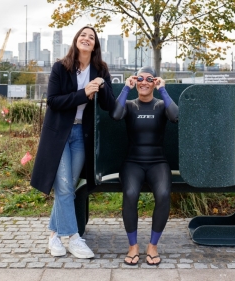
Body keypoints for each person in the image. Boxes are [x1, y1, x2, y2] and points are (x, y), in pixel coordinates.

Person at [30, 26, 115, 258]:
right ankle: (73, 238)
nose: (87, 38)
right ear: (76, 40)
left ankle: (53, 236)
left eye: (92, 37)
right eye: (83, 35)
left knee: (67, 187)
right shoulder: (61, 67)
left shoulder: (101, 69)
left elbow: (109, 105)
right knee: (66, 186)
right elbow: (53, 101)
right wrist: (83, 93)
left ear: (95, 45)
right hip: (59, 135)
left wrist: (102, 85)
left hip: (81, 136)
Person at [110, 66, 178, 266]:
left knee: (164, 195)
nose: (144, 82)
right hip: (133, 162)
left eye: (150, 79)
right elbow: (115, 115)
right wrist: (125, 88)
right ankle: (133, 247)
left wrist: (163, 90)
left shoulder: (160, 105)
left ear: (155, 82)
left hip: (158, 162)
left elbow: (175, 116)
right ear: (135, 81)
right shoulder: (130, 105)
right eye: (140, 78)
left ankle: (152, 246)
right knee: (130, 194)